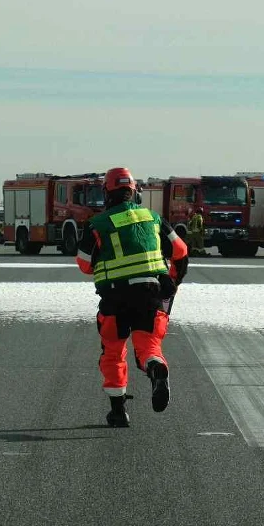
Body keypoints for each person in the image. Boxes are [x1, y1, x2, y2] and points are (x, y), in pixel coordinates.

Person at [77, 167, 189, 428]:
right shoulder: (153, 218)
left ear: (107, 193)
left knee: (113, 352)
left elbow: (83, 263)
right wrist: (172, 281)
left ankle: (118, 412)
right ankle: (155, 368)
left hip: (114, 298)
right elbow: (181, 250)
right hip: (150, 295)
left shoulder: (98, 224)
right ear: (135, 192)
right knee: (148, 348)